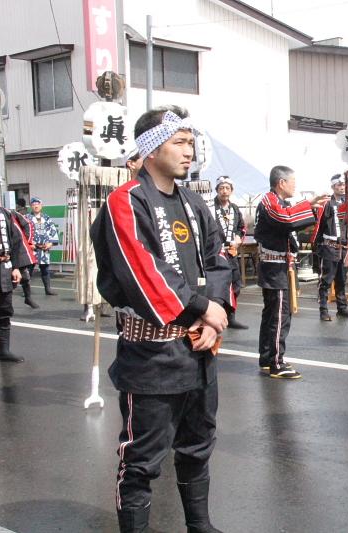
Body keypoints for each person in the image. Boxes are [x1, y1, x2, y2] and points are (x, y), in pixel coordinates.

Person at [90, 105, 232, 533]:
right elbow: (143, 271)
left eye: (191, 143)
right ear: (151, 150)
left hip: (199, 350)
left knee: (198, 445)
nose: (189, 151)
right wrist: (201, 308)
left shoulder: (194, 202)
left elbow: (218, 259)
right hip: (151, 355)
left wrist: (213, 313)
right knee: (141, 459)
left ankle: (200, 525)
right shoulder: (126, 202)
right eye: (179, 143)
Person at [255, 165, 327, 379]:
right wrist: (307, 205)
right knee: (279, 316)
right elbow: (286, 219)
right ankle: (276, 362)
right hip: (274, 268)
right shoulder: (269, 201)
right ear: (281, 183)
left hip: (279, 267)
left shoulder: (278, 202)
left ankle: (267, 357)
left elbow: (290, 219)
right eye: (293, 182)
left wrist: (308, 206)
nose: (295, 186)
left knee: (273, 314)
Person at [313, 173, 348, 321]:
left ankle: (342, 308)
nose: (342, 187)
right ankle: (323, 310)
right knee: (326, 280)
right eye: (339, 185)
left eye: (343, 184)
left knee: (341, 279)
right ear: (333, 187)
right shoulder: (327, 204)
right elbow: (319, 223)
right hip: (330, 247)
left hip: (343, 247)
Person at [0, 205, 34, 362]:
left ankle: (3, 350)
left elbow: (16, 240)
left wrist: (16, 267)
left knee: (4, 309)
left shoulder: (5, 213)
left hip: (4, 267)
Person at [213, 175, 248, 329]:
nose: (224, 191)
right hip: (216, 253)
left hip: (231, 252)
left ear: (231, 190)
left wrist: (239, 238)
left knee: (236, 284)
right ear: (217, 190)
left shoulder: (234, 208)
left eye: (227, 188)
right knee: (219, 285)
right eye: (221, 188)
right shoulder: (210, 208)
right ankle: (216, 317)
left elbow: (241, 227)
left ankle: (231, 317)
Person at [23, 197, 59, 298]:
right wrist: (29, 244)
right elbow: (22, 233)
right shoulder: (26, 218)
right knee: (29, 269)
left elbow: (53, 231)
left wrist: (50, 243)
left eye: (37, 204)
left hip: (44, 248)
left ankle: (48, 289)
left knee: (45, 269)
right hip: (32, 248)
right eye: (33, 204)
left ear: (41, 205)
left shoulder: (46, 218)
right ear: (31, 206)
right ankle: (26, 291)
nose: (36, 206)